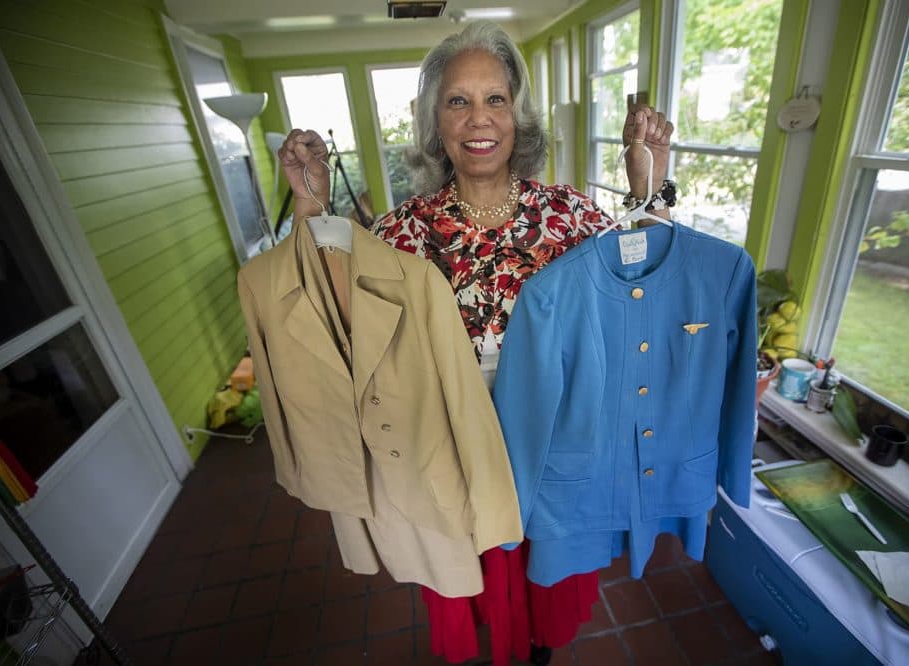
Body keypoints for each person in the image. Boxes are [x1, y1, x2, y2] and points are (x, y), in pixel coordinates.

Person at [278, 20, 675, 665]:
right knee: (478, 568)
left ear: (517, 115)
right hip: (453, 442)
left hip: (554, 442)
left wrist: (645, 184)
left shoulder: (567, 215)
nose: (478, 119)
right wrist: (314, 208)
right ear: (435, 122)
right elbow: (339, 318)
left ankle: (541, 646)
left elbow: (643, 280)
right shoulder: (401, 232)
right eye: (458, 102)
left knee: (545, 566)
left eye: (495, 99)